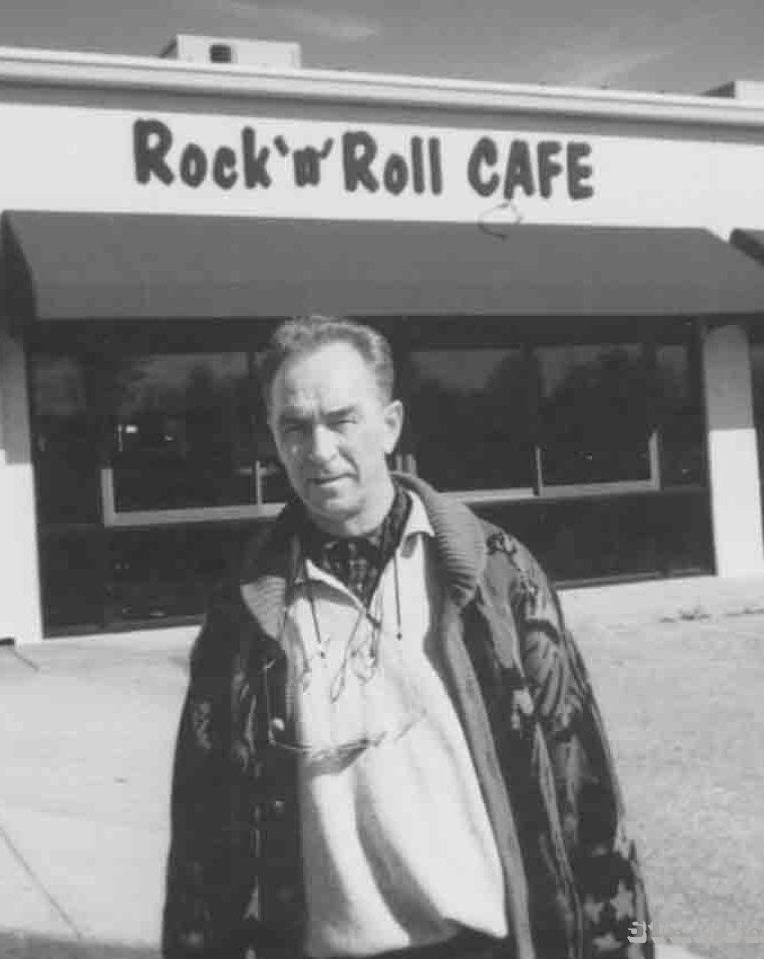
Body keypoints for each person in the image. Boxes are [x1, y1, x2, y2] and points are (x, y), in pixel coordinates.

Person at [162, 315, 653, 959]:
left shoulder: (498, 576)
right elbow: (200, 837)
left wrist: (634, 945)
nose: (319, 449)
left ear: (391, 425)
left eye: (342, 420)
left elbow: (590, 800)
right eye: (295, 427)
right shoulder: (245, 612)